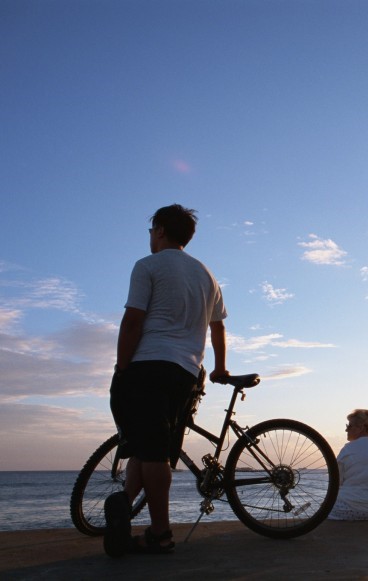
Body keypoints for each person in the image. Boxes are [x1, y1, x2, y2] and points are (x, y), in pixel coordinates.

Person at [105, 204, 229, 557]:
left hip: (149, 366)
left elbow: (132, 321)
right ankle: (124, 507)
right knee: (149, 443)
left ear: (159, 231)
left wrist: (121, 365)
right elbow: (217, 326)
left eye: (150, 231)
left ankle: (161, 533)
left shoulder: (148, 266)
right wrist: (219, 367)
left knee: (155, 451)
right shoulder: (207, 275)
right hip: (188, 373)